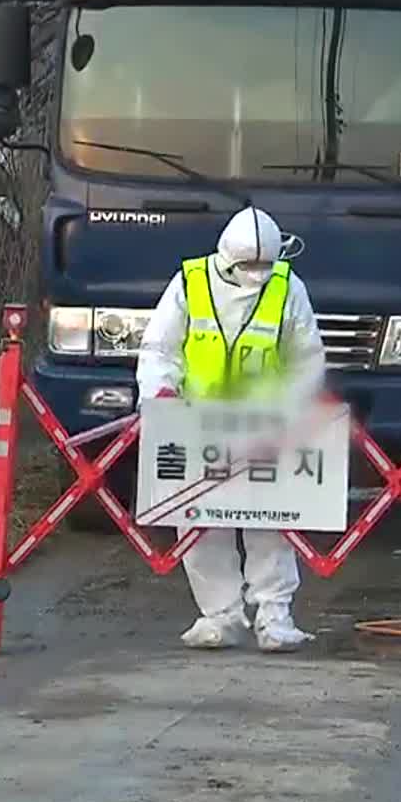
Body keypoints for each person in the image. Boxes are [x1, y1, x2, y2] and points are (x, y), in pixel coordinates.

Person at [136, 206, 329, 652]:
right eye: (250, 266)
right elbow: (160, 349)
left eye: (266, 265)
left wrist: (295, 406)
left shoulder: (287, 287)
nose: (258, 275)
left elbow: (306, 357)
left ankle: (274, 616)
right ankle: (218, 615)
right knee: (199, 519)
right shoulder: (190, 284)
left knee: (272, 519)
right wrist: (161, 395)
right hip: (197, 422)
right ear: (227, 258)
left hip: (264, 423)